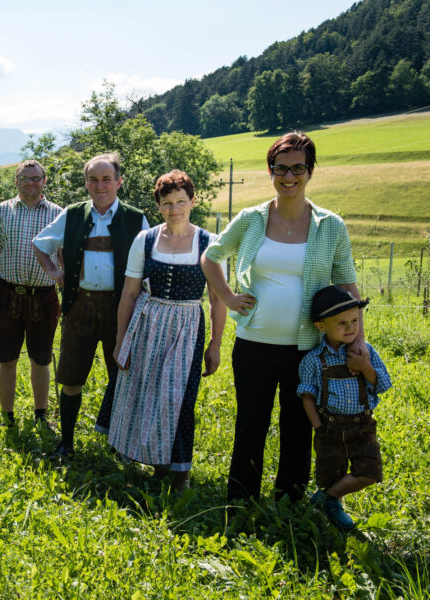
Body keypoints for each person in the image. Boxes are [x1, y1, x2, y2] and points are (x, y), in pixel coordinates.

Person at [201, 131, 365, 504]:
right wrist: (226, 296)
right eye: (280, 168)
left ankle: (289, 502)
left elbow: (348, 287)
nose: (288, 177)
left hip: (307, 349)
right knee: (250, 426)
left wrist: (358, 343)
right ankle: (240, 502)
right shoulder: (251, 219)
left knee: (298, 428)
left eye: (297, 168)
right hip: (254, 345)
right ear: (270, 171)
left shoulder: (331, 226)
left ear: (310, 171)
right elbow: (211, 257)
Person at [107, 170, 226, 491]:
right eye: (167, 203)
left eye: (181, 202)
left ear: (193, 201)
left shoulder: (209, 243)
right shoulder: (145, 241)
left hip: (187, 326)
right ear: (158, 205)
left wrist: (215, 345)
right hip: (147, 323)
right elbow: (129, 294)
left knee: (180, 398)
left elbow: (217, 301)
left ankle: (181, 473)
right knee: (146, 393)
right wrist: (121, 341)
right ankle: (157, 464)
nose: (174, 209)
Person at [33, 153, 148, 458]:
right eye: (94, 180)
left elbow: (148, 263)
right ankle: (66, 443)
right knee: (71, 377)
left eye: (106, 179)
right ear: (86, 183)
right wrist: (55, 273)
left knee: (121, 378)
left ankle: (119, 446)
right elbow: (40, 245)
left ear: (119, 182)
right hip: (79, 306)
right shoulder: (72, 214)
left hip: (120, 307)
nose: (100, 186)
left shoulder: (136, 219)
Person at [298, 285, 391, 530]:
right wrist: (319, 427)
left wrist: (365, 367)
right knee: (331, 473)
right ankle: (332, 505)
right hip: (330, 426)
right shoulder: (314, 360)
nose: (351, 328)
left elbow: (383, 384)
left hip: (362, 425)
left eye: (355, 320)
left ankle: (326, 499)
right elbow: (307, 396)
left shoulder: (365, 352)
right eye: (342, 323)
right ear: (321, 326)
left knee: (370, 472)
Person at [0, 160, 63, 428]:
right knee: (7, 359)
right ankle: (7, 416)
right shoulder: (1, 211)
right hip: (7, 295)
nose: (31, 182)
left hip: (44, 297)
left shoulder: (59, 215)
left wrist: (69, 297)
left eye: (36, 178)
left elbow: (66, 258)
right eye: (25, 178)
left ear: (44, 181)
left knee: (41, 359)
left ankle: (41, 415)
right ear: (16, 181)